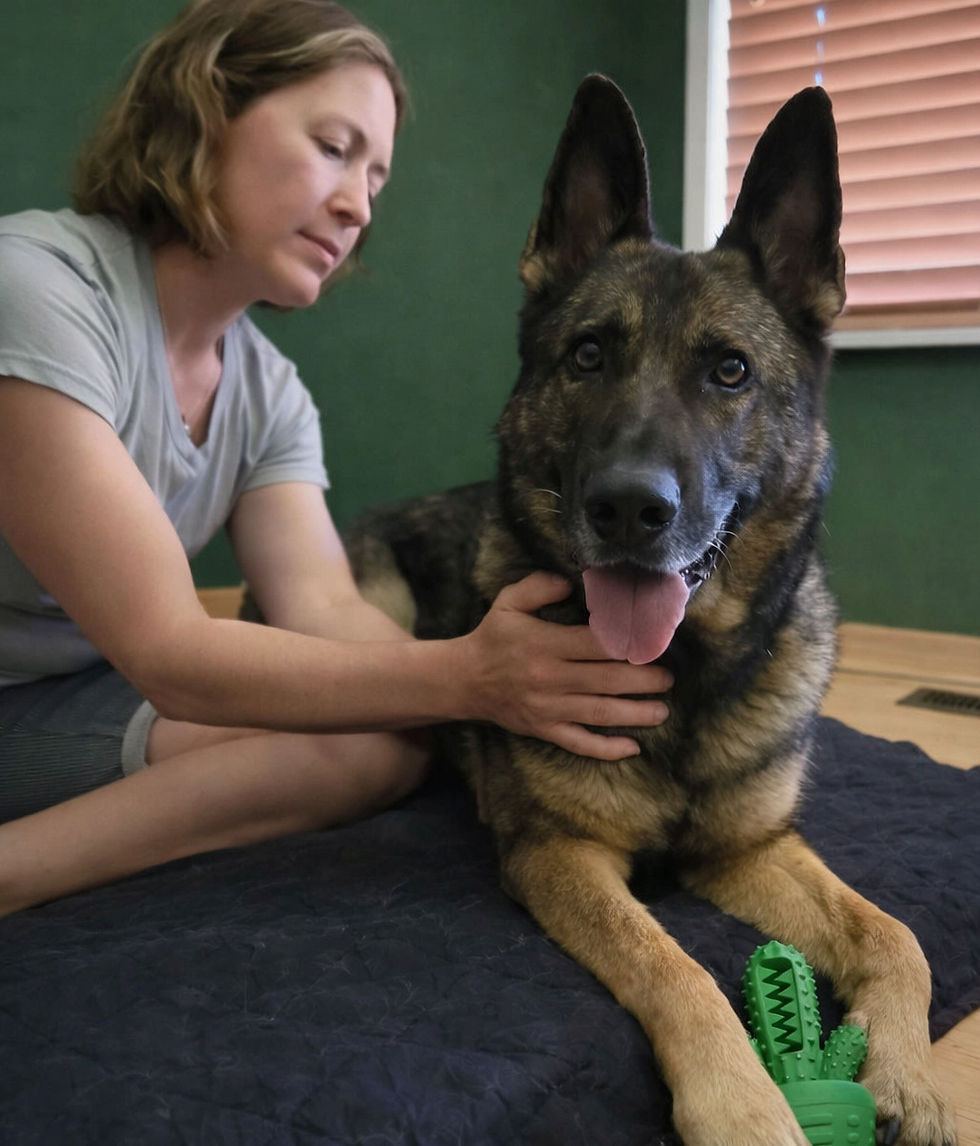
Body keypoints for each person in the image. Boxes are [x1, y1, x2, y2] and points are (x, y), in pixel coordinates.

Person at [0, 0, 673, 918]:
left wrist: (490, 697)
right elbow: (168, 650)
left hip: (63, 696)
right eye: (333, 147)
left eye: (377, 177)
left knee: (384, 742)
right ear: (206, 112)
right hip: (79, 685)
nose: (359, 204)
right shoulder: (34, 290)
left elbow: (322, 608)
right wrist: (468, 678)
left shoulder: (270, 392)